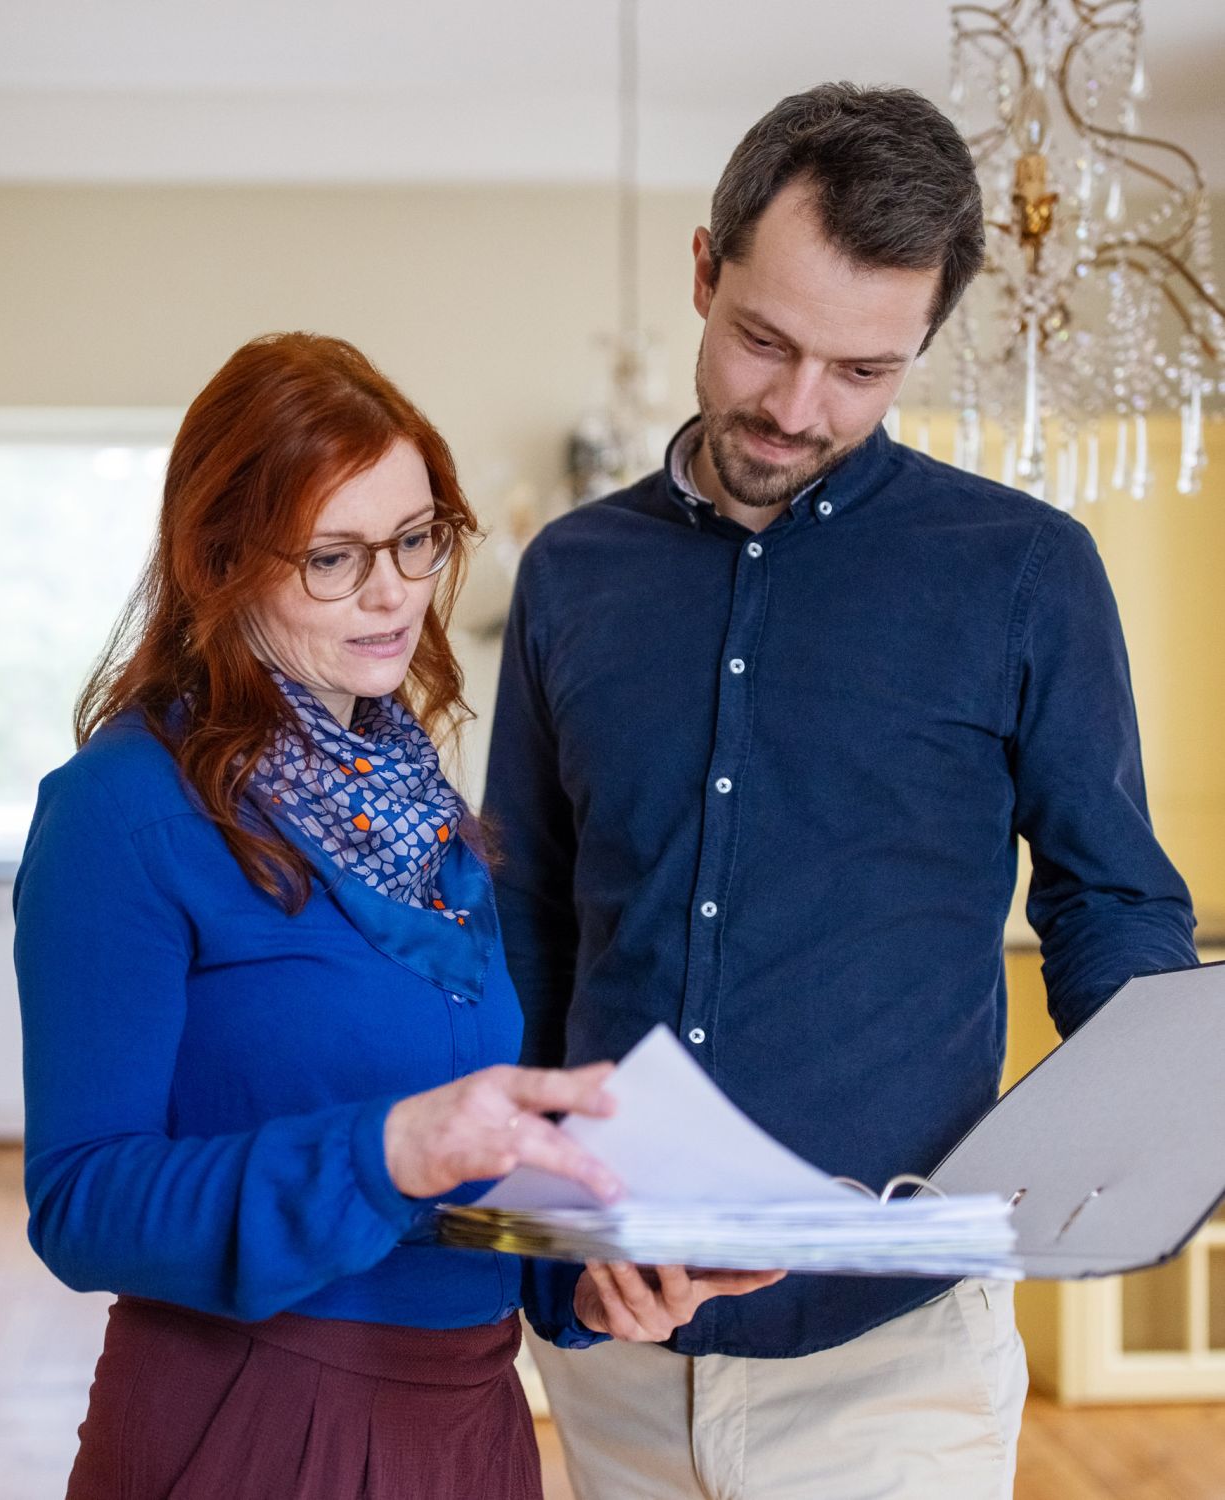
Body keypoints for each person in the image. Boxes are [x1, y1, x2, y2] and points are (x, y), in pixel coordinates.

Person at [486, 82, 1197, 1500]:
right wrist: (548, 1235)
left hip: (895, 1363)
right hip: (614, 1347)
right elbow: (529, 928)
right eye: (763, 341)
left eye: (865, 371)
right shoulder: (570, 573)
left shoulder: (1024, 573)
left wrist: (1149, 1133)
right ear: (703, 270)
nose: (798, 409)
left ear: (921, 341)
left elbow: (1112, 899)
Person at [13, 332, 780, 1500]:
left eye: (418, 538)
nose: (393, 592)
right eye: (334, 556)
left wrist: (581, 1276)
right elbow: (83, 1203)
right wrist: (386, 1150)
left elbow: (459, 1200)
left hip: (472, 1421)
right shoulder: (118, 812)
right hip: (252, 1422)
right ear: (219, 557)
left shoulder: (419, 802)